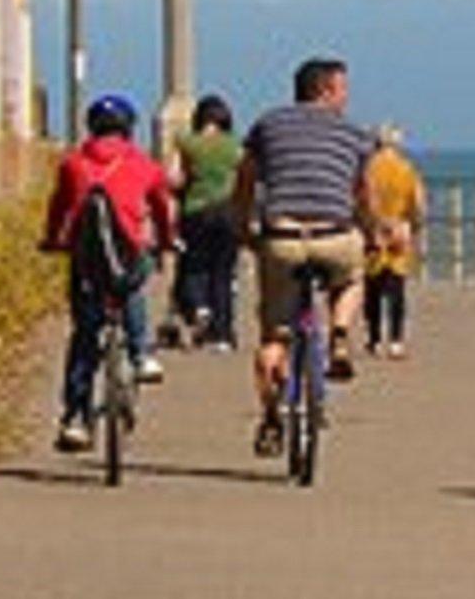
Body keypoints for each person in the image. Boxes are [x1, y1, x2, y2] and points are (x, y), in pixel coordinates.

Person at [234, 56, 370, 455]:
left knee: (273, 334)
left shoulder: (268, 125)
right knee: (352, 278)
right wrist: (372, 229)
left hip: (282, 238)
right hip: (334, 235)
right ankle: (340, 334)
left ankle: (273, 419)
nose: (346, 97)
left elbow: (245, 182)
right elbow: (363, 192)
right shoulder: (354, 134)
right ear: (327, 90)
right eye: (343, 89)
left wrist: (245, 229)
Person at [40, 94, 181, 453]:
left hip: (86, 260)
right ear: (129, 128)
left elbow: (59, 207)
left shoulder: (73, 164)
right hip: (127, 254)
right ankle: (140, 352)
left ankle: (75, 417)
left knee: (85, 335)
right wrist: (167, 241)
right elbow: (162, 209)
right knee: (133, 279)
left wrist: (52, 240)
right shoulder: (144, 165)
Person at [169, 94, 245, 348]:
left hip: (196, 211)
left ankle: (199, 307)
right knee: (223, 273)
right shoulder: (235, 146)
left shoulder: (186, 143)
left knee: (195, 266)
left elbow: (174, 179)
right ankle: (222, 335)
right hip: (229, 212)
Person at [359, 124, 427, 358]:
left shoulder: (368, 168)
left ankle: (374, 339)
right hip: (399, 230)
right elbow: (418, 204)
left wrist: (367, 227)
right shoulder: (406, 169)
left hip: (373, 232)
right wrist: (413, 227)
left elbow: (359, 201)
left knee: (373, 290)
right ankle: (396, 341)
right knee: (396, 289)